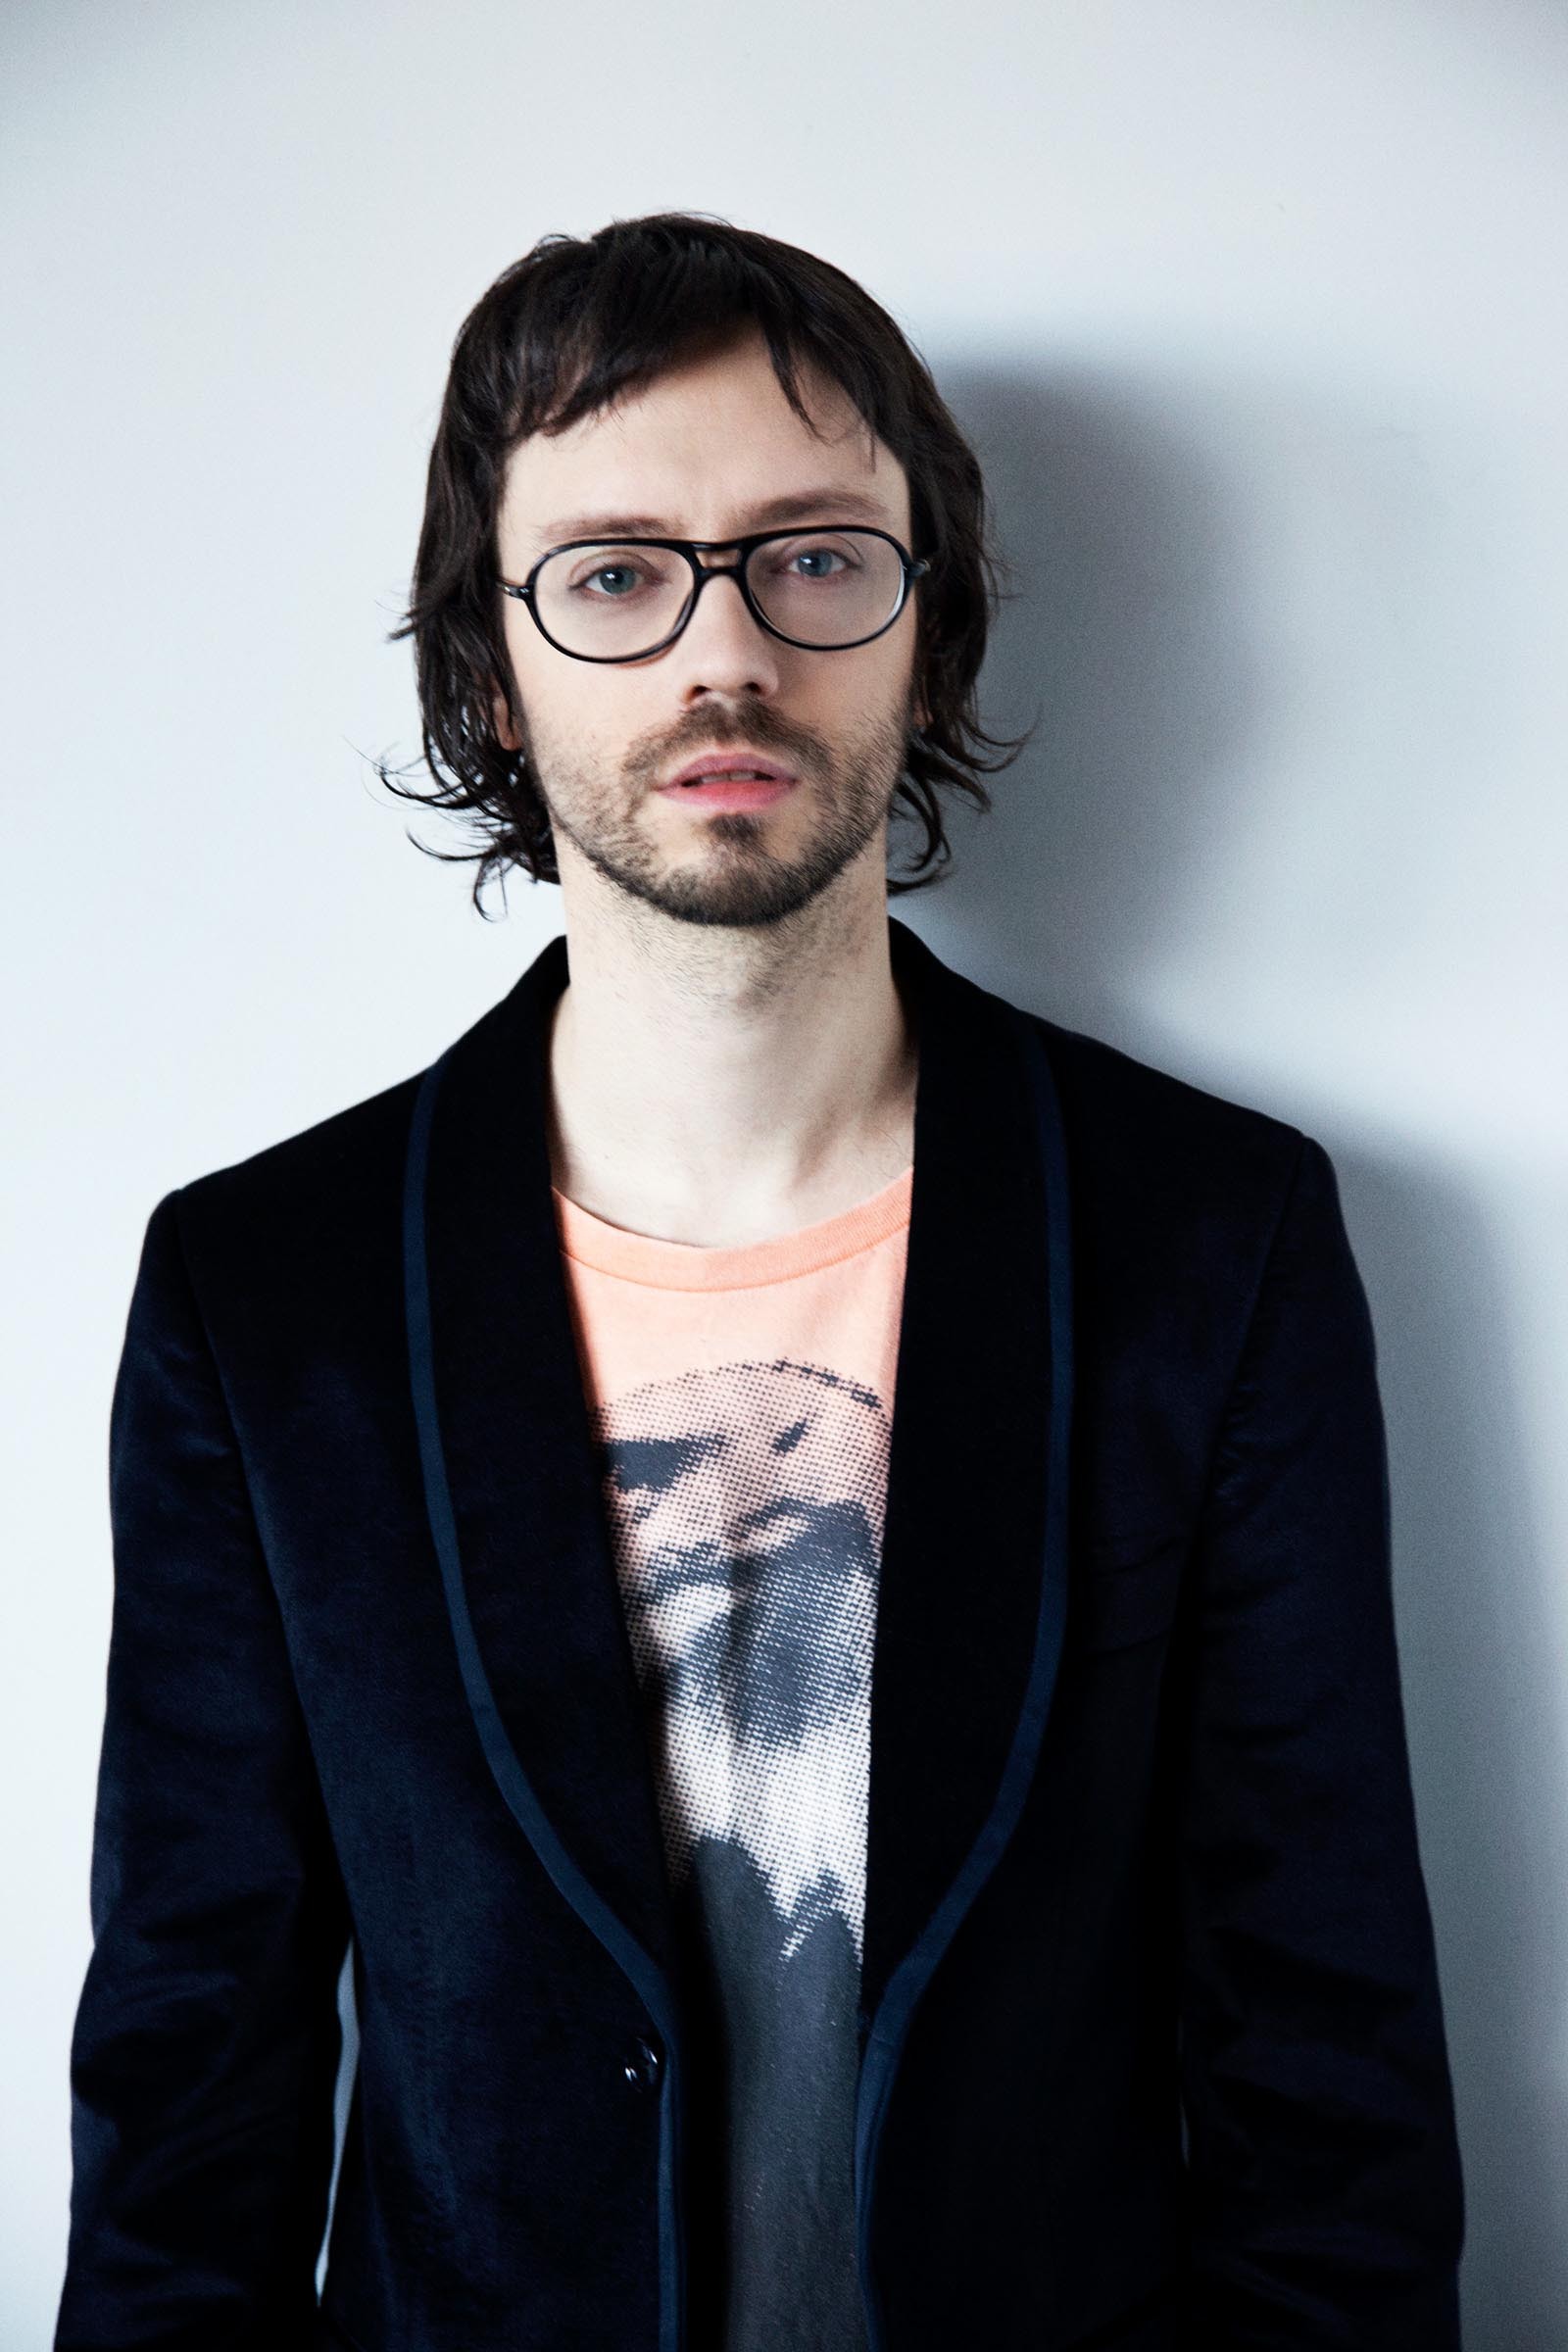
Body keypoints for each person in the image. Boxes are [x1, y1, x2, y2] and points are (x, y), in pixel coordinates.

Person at [55, 213, 1464, 2352]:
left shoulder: (1212, 1238)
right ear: (489, 673)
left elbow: (1324, 2071)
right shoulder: (264, 1300)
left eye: (810, 558)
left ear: (928, 632)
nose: (723, 654)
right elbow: (190, 2082)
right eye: (615, 575)